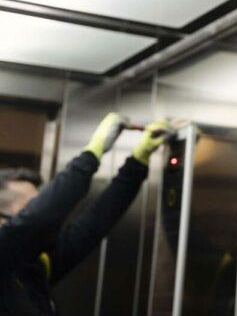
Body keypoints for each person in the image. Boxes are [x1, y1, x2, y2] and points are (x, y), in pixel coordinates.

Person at [0, 113, 170, 316]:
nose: (42, 209)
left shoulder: (32, 267)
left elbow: (93, 225)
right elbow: (40, 217)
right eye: (29, 206)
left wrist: (137, 162)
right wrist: (90, 154)